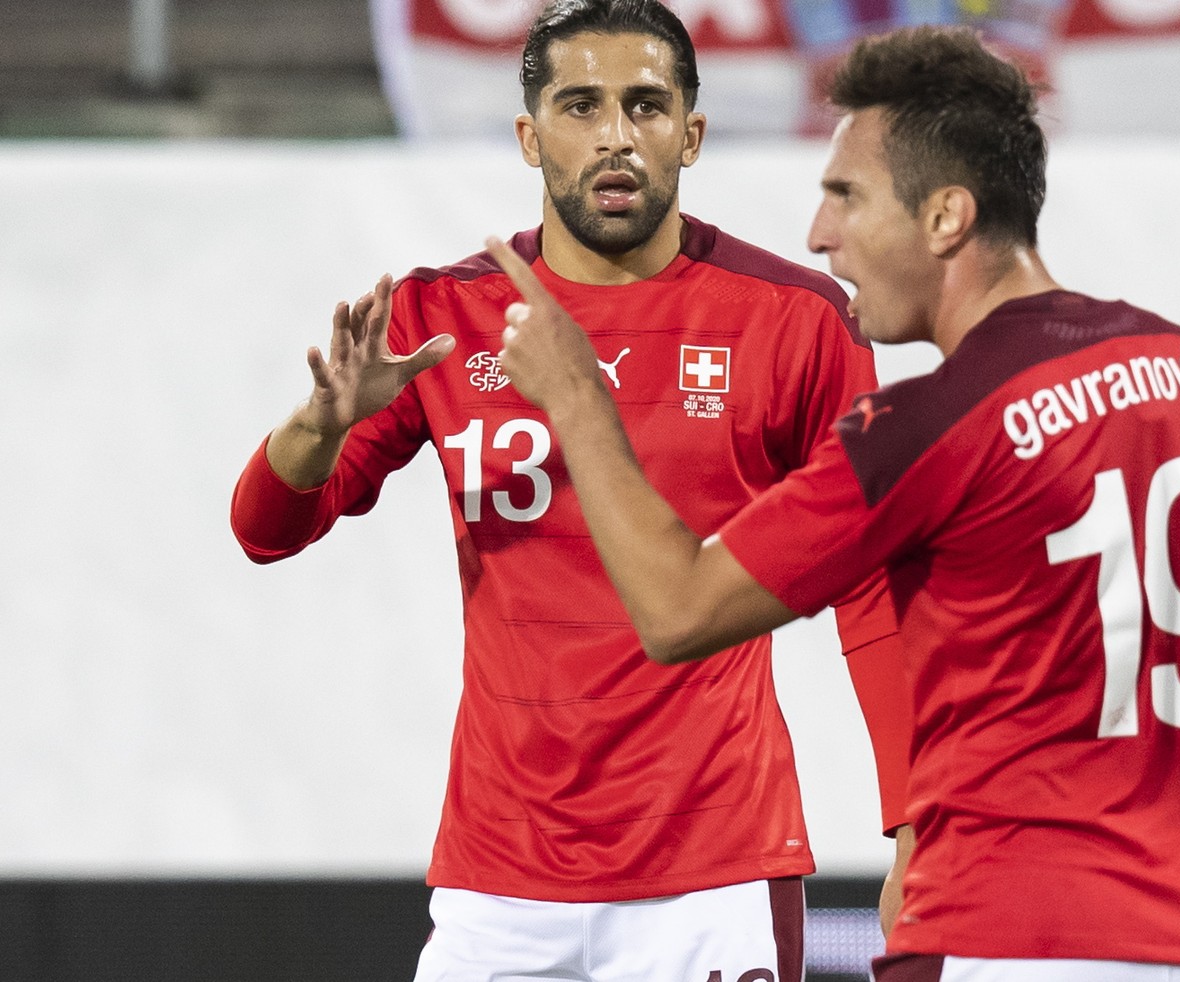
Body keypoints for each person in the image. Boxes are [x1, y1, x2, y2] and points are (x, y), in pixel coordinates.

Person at [488, 23, 1180, 982]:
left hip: (1016, 939)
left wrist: (579, 398)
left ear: (946, 218)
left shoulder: (927, 425)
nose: (819, 235)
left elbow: (676, 611)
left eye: (846, 197)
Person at [230, 1, 915, 979]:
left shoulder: (795, 322)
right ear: (528, 135)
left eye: (646, 105)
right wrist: (317, 424)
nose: (616, 137)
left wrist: (914, 824)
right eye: (581, 105)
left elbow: (874, 592)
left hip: (714, 870)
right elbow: (265, 529)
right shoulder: (442, 315)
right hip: (497, 881)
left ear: (692, 131)